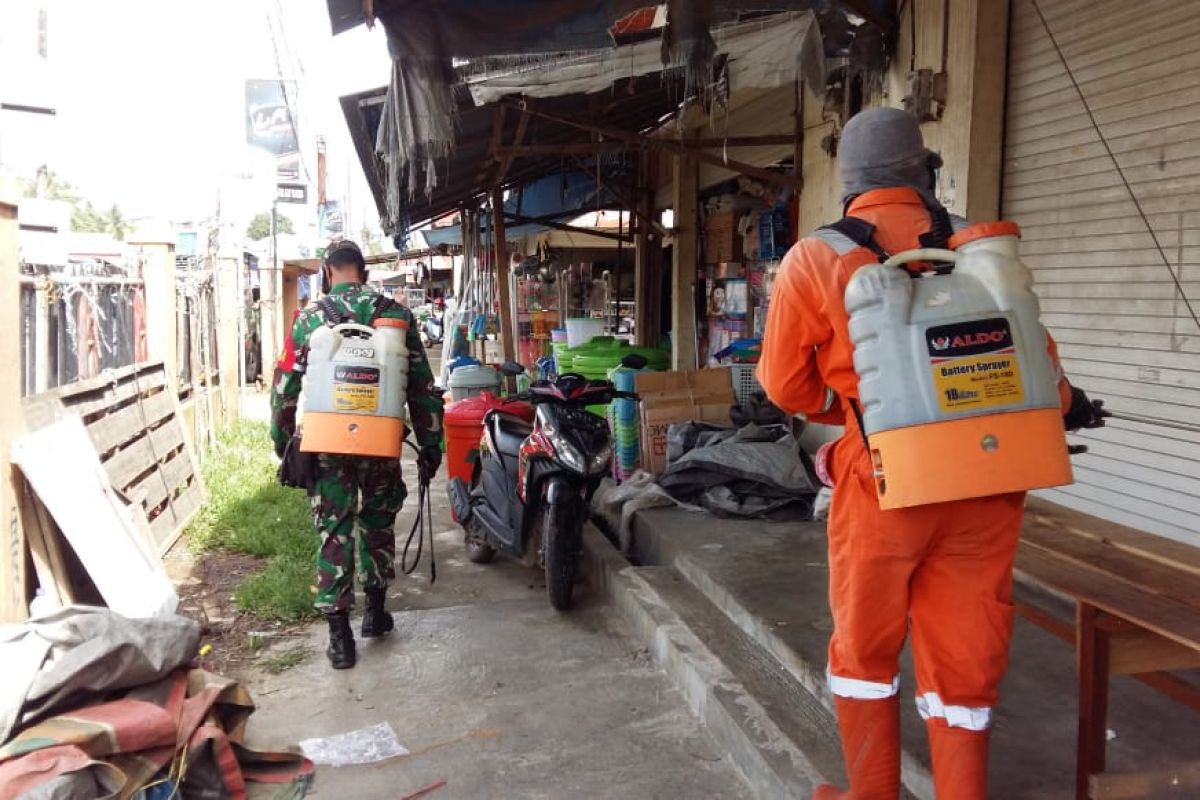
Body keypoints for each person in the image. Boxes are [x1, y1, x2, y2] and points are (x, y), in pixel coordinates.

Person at [758, 107, 1107, 799]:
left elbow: (785, 386)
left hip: (886, 478)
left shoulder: (816, 257)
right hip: (987, 483)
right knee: (966, 655)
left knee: (865, 647)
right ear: (925, 172)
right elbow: (1045, 377)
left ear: (849, 182)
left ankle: (873, 793)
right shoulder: (983, 257)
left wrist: (854, 415)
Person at [270, 239, 445, 670]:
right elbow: (422, 387)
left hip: (329, 439)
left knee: (335, 527)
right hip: (381, 439)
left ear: (328, 272)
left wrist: (284, 440)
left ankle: (340, 638)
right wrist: (431, 446)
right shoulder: (397, 315)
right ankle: (375, 613)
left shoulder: (310, 318)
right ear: (363, 272)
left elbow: (285, 387)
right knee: (377, 521)